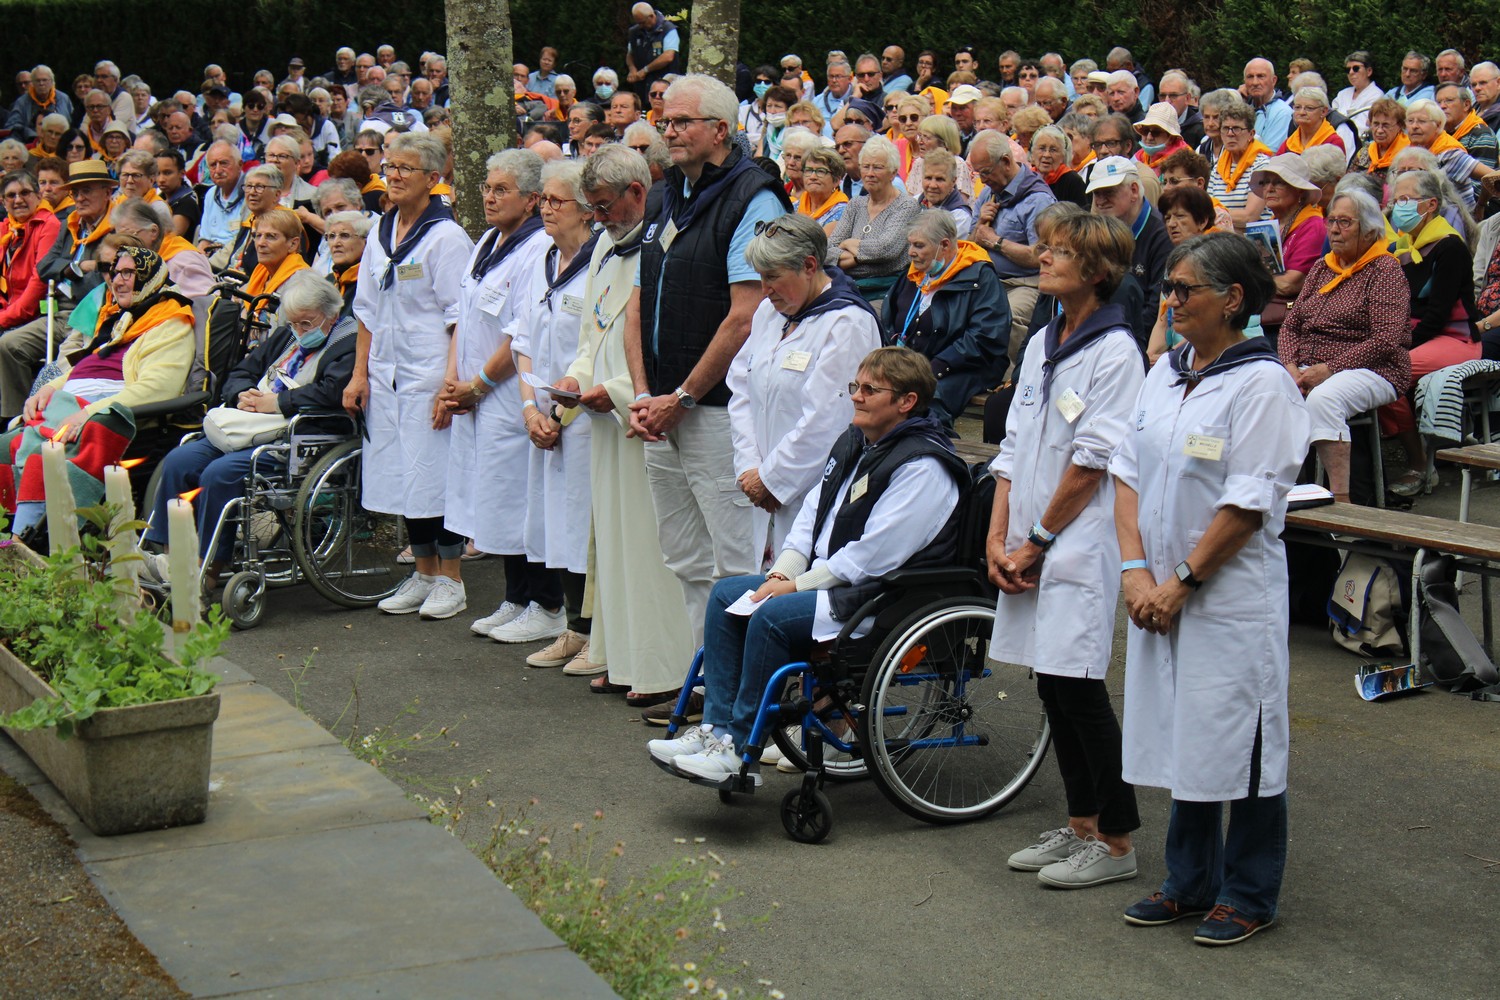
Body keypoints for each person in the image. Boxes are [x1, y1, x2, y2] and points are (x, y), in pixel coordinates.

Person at [1111, 232, 1310, 947]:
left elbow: (1249, 502)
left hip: (1227, 599)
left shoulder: (1264, 386)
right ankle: (1188, 881)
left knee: (1242, 737)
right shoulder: (1165, 372)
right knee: (1181, 731)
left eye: (1183, 289)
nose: (1170, 301)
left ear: (1231, 300)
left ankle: (1250, 891)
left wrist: (1183, 582)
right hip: (1158, 586)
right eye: (1167, 288)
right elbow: (1127, 476)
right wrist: (1135, 572)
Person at [647, 346, 968, 782]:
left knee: (775, 617)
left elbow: (873, 557)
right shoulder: (857, 440)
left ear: (906, 401)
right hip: (838, 585)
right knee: (727, 594)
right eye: (855, 386)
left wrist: (795, 589)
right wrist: (783, 572)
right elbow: (813, 518)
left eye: (870, 390)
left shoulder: (924, 466)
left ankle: (737, 750)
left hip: (881, 597)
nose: (855, 396)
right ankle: (715, 729)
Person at [990, 211, 1143, 888]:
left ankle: (1117, 843)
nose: (1043, 260)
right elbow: (1014, 443)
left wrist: (1037, 541)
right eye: (1045, 249)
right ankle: (1080, 825)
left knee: (1079, 688)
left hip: (1074, 540)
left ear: (1097, 272)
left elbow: (1091, 462)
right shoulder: (1045, 338)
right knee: (1050, 684)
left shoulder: (1117, 352)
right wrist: (999, 538)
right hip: (1028, 536)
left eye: (1059, 254)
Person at [627, 74, 792, 656]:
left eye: (681, 122)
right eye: (665, 121)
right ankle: (702, 681)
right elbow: (638, 297)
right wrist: (646, 393)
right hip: (662, 407)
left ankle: (738, 695)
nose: (667, 131)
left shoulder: (755, 198)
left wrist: (684, 397)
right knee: (684, 557)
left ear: (720, 129)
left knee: (735, 560)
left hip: (715, 410)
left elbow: (744, 316)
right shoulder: (664, 192)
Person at [549, 145, 693, 690]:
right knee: (610, 543)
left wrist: (616, 390)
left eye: (605, 205)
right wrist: (575, 379)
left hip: (642, 416)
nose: (598, 217)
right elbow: (592, 333)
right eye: (591, 208)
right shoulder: (605, 250)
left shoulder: (661, 247)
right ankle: (617, 654)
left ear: (638, 192)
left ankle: (656, 667)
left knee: (649, 547)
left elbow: (661, 339)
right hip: (602, 420)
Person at [141, 272, 354, 580]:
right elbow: (242, 370)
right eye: (293, 323)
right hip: (249, 425)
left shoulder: (348, 343)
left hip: (298, 437)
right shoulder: (288, 335)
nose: (299, 331)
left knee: (220, 473)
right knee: (179, 461)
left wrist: (279, 402)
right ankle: (170, 557)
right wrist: (243, 393)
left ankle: (208, 567)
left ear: (331, 315)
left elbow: (333, 392)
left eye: (306, 323)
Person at [344, 132, 474, 619]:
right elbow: (366, 310)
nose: (393, 175)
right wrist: (360, 375)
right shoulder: (380, 231)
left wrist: (449, 384)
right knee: (404, 476)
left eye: (405, 169)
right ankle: (422, 573)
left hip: (428, 371)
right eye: (390, 166)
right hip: (386, 373)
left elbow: (460, 316)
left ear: (433, 179)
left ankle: (452, 579)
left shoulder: (446, 238)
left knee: (435, 475)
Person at [429, 148, 552, 638]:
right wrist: (451, 378)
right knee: (491, 499)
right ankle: (514, 596)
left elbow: (519, 333)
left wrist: (479, 383)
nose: (489, 197)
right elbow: (463, 311)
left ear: (531, 199)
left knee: (518, 497)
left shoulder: (537, 247)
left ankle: (545, 605)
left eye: (502, 190)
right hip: (472, 391)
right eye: (486, 187)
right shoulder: (486, 241)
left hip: (502, 392)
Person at [3, 245, 195, 534]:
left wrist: (87, 412)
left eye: (128, 273)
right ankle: (6, 539)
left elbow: (158, 388)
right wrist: (47, 390)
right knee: (5, 447)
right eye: (114, 273)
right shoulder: (125, 318)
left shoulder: (171, 322)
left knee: (40, 457)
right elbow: (87, 365)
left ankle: (30, 544)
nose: (117, 281)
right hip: (69, 403)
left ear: (150, 277)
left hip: (107, 413)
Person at [728, 211, 881, 561]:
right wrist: (750, 468)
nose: (764, 291)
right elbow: (741, 389)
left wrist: (773, 478)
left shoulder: (846, 322)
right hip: (762, 490)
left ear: (809, 265)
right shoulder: (771, 313)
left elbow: (831, 419)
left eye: (773, 277)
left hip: (813, 492)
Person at [505, 159, 600, 662]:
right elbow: (522, 341)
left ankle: (591, 631)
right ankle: (571, 625)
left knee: (583, 524)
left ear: (586, 211)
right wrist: (528, 410)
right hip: (540, 417)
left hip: (581, 420)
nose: (545, 208)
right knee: (552, 523)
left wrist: (557, 417)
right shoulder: (540, 257)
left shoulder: (600, 263)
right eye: (542, 199)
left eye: (555, 201)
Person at [1277, 189, 1409, 503]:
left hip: (1376, 368)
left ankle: (1342, 502)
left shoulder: (1384, 270)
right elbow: (1291, 324)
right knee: (1267, 391)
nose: (1334, 230)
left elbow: (1385, 340)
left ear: (1369, 230)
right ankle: (1282, 495)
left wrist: (1329, 369)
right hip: (1310, 366)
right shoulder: (1324, 268)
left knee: (1325, 398)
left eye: (1345, 223)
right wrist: (1290, 367)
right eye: (1332, 221)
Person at [1382, 169, 1480, 497]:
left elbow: (1437, 316)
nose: (1399, 207)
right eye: (1396, 200)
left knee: (1388, 373)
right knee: (1365, 370)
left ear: (1431, 204)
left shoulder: (1449, 247)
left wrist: (1397, 347)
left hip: (1455, 338)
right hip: (1416, 335)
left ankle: (1419, 464)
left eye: (1407, 199)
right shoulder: (1402, 245)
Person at [0, 159, 115, 422]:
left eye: (88, 190)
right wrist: (81, 266)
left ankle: (45, 421)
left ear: (107, 192)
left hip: (95, 317)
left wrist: (73, 269)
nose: (80, 198)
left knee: (59, 368)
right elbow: (45, 268)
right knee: (8, 346)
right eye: (76, 192)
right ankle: (14, 418)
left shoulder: (116, 227)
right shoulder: (71, 223)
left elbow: (103, 278)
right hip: (59, 312)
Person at [881, 209, 1009, 428]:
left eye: (919, 246)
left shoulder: (979, 276)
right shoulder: (915, 273)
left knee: (924, 403)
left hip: (962, 366)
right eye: (910, 244)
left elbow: (985, 336)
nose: (911, 252)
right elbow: (890, 318)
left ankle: (933, 454)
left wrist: (934, 367)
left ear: (945, 245)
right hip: (913, 364)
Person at [969, 129, 1054, 366]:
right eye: (978, 173)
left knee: (1007, 316)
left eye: (986, 172)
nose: (982, 180)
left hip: (1025, 283)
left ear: (1006, 162)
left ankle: (1010, 380)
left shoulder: (1037, 199)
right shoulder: (988, 193)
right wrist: (979, 227)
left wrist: (995, 241)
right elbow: (971, 242)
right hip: (987, 279)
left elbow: (1040, 256)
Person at [1087, 156, 1172, 347]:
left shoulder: (1162, 234)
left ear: (1134, 190)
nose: (1100, 200)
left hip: (1134, 342)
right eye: (1096, 193)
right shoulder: (1100, 231)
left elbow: (1155, 307)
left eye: (1108, 192)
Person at [824, 134, 918, 301]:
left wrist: (848, 245)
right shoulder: (855, 204)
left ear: (893, 172)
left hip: (886, 294)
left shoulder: (906, 206)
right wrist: (860, 256)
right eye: (865, 167)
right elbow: (827, 251)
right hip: (848, 288)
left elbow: (886, 250)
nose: (870, 173)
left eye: (878, 167)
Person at [1250, 154, 1327, 348]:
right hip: (1264, 316)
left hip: (1289, 326)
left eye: (1279, 183)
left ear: (1299, 191)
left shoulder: (1313, 225)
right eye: (1265, 182)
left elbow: (1290, 284)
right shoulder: (1268, 226)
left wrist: (1252, 278)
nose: (1269, 188)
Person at [1147, 185, 1218, 363]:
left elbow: (1212, 323)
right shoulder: (1173, 261)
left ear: (1202, 221)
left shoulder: (1216, 259)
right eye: (1168, 217)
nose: (1171, 224)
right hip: (1178, 354)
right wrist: (1150, 356)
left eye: (1180, 216)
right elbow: (1162, 320)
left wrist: (1170, 356)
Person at [109, 197, 214, 299]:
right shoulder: (144, 261)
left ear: (153, 231)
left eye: (129, 235)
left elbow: (206, 306)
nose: (125, 246)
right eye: (120, 239)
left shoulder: (182, 262)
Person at [0, 171, 61, 342]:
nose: (18, 200)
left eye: (25, 193)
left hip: (34, 315)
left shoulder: (49, 225)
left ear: (39, 196)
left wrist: (3, 318)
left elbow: (38, 284)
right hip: (6, 311)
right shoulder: (5, 229)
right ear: (4, 203)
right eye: (11, 195)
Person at [1404, 98, 1494, 210]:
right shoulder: (1410, 152)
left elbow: (1493, 176)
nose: (1414, 126)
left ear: (1438, 125)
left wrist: (1481, 205)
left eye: (1422, 121)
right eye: (1410, 121)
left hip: (1455, 220)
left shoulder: (1449, 153)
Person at [1206, 100, 1271, 229]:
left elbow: (1249, 216)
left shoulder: (1262, 166)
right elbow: (1209, 208)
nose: (1230, 134)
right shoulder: (1217, 168)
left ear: (1251, 134)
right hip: (1222, 238)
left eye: (1236, 128)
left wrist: (1215, 215)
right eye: (1225, 128)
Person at [625, 3, 681, 99]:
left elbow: (668, 56)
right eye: (638, 23)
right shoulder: (634, 32)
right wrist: (632, 69)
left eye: (642, 22)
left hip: (664, 85)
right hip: (642, 86)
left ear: (651, 16)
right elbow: (630, 54)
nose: (640, 26)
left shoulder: (668, 29)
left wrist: (645, 70)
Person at [322, 210, 370, 315]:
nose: (336, 243)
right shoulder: (326, 283)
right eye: (331, 236)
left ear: (365, 242)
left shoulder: (372, 282)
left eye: (344, 235)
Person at [917, 148, 973, 238]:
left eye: (940, 179)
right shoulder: (914, 203)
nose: (932, 185)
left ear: (953, 181)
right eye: (928, 178)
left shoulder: (960, 218)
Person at [1351, 96, 1408, 184]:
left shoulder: (1408, 154)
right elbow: (1348, 180)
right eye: (1376, 124)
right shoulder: (1364, 152)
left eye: (1386, 125)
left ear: (1400, 126)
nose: (1379, 130)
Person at [7, 65, 71, 142]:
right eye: (37, 80)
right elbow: (12, 127)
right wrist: (31, 134)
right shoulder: (22, 102)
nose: (41, 83)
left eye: (44, 80)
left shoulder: (63, 98)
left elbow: (70, 123)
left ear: (51, 82)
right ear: (32, 83)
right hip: (30, 143)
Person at [1032, 125, 1087, 208]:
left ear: (1063, 156)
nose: (1046, 155)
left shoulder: (1073, 181)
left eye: (1053, 150)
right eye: (1042, 148)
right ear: (1033, 153)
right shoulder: (1027, 178)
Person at [797, 146, 847, 235]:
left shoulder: (843, 212)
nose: (812, 177)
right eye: (808, 170)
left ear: (836, 180)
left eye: (821, 171)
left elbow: (819, 246)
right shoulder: (795, 206)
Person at [1132, 103, 1190, 176]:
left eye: (1156, 132)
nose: (1149, 137)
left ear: (1171, 137)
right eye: (1145, 131)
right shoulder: (1138, 157)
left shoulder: (1184, 161)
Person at [1333, 50, 1382, 131]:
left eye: (1356, 68)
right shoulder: (1342, 94)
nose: (1351, 72)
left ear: (1369, 71)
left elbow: (1363, 126)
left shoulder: (1377, 95)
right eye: (1348, 70)